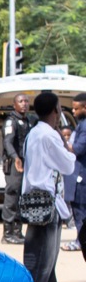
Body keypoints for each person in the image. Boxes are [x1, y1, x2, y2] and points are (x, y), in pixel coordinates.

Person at [14, 92, 76, 282]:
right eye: (59, 108)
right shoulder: (49, 136)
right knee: (40, 258)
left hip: (42, 202)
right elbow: (68, 165)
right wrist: (63, 140)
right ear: (55, 111)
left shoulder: (35, 133)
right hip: (45, 203)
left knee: (47, 257)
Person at [1, 93, 32, 244]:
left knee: (21, 197)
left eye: (26, 101)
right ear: (15, 104)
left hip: (25, 163)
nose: (24, 104)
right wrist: (16, 158)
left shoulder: (28, 121)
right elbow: (7, 142)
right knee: (12, 196)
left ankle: (18, 233)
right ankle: (7, 234)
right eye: (21, 101)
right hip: (14, 163)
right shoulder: (10, 121)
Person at [64, 92, 86, 252]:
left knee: (80, 212)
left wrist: (62, 142)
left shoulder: (84, 126)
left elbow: (78, 148)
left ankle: (80, 241)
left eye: (76, 109)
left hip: (82, 176)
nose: (73, 112)